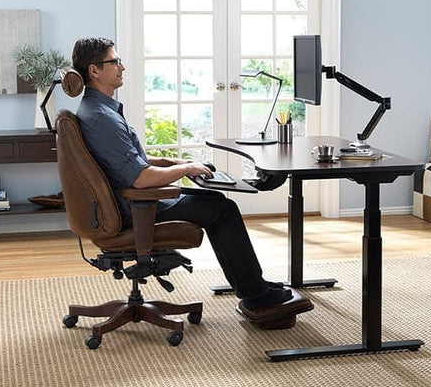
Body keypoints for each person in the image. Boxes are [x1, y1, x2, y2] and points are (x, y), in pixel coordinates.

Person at [71, 37, 305, 316]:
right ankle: (257, 296)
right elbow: (141, 178)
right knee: (222, 209)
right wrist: (185, 170)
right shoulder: (101, 118)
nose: (123, 67)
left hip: (131, 200)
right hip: (136, 207)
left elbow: (132, 160)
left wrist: (180, 162)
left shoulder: (98, 110)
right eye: (115, 61)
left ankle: (254, 287)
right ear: (94, 71)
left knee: (216, 201)